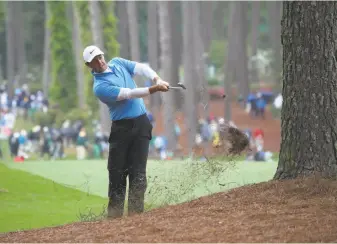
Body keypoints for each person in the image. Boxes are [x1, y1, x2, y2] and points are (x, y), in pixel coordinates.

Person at [83, 45, 170, 218]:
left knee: (138, 174)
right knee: (117, 174)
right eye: (95, 60)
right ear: (89, 65)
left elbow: (141, 68)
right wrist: (155, 89)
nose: (100, 61)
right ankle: (114, 220)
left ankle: (135, 219)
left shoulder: (117, 63)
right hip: (121, 130)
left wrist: (156, 79)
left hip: (141, 124)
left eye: (100, 56)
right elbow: (129, 94)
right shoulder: (100, 87)